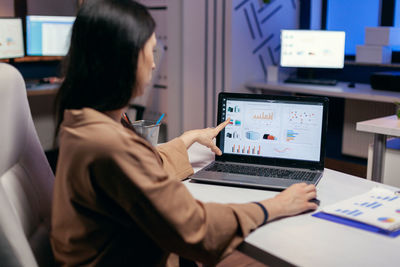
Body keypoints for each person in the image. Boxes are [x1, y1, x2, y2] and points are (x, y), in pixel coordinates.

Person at [51, 0, 318, 266]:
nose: (154, 66)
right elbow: (195, 228)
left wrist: (185, 140)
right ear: (124, 60)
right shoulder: (107, 143)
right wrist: (275, 205)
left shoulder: (82, 121)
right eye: (151, 52)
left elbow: (140, 169)